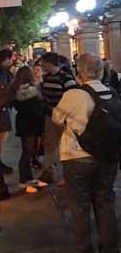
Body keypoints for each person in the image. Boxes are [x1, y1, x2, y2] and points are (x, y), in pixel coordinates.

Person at [52, 53, 119, 253]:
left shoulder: (74, 95)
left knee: (79, 207)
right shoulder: (112, 92)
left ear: (79, 72)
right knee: (105, 204)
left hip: (77, 156)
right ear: (101, 71)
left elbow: (56, 118)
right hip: (107, 157)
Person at [39, 52, 77, 184]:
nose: (42, 66)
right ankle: (48, 172)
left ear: (50, 63)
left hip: (64, 120)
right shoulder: (46, 78)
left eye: (43, 64)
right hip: (50, 117)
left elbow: (73, 100)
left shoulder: (66, 79)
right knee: (50, 146)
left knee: (66, 148)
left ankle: (66, 176)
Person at [11, 66, 49, 193]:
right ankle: (24, 181)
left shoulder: (17, 90)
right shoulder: (33, 92)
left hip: (22, 123)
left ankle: (28, 178)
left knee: (27, 151)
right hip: (32, 125)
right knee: (27, 153)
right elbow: (37, 112)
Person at [0, 49, 15, 174]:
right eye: (11, 59)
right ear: (5, 59)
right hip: (0, 112)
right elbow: (4, 92)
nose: (12, 61)